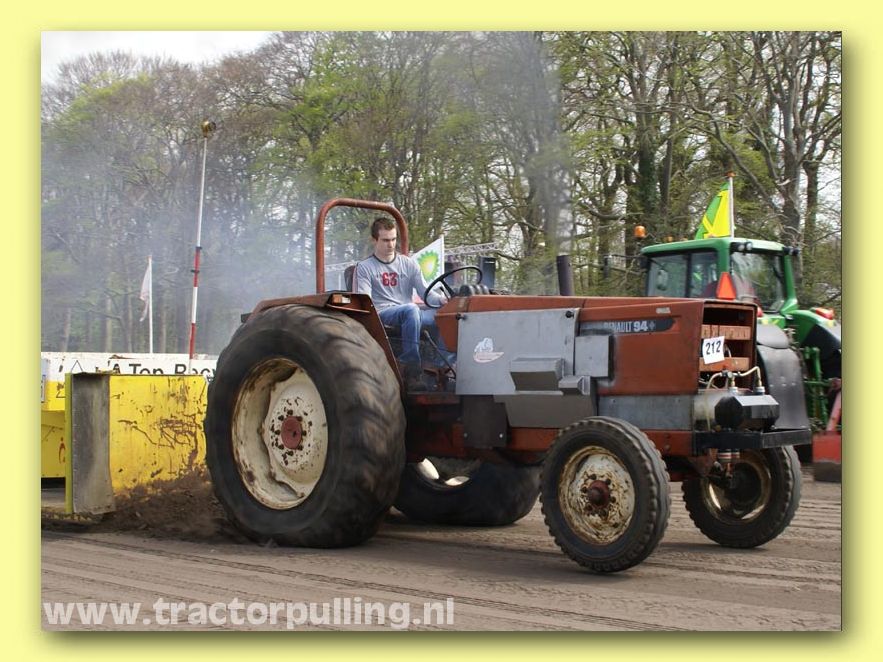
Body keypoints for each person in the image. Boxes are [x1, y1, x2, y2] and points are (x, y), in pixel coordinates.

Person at [353, 217, 450, 388]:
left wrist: (443, 300)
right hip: (382, 313)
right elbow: (365, 300)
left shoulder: (409, 264)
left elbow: (425, 292)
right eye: (385, 240)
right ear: (374, 240)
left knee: (448, 314)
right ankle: (411, 367)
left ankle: (441, 366)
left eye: (393, 239)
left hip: (410, 313)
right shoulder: (365, 268)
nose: (390, 244)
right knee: (411, 310)